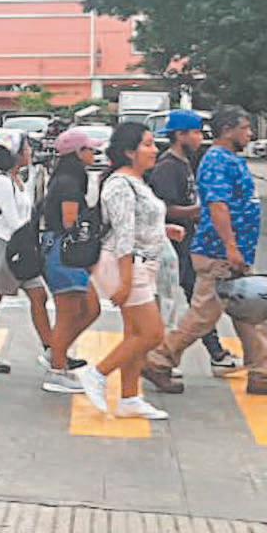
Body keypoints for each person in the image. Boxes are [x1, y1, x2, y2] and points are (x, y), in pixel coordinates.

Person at [142, 107, 267, 397]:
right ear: (227, 130)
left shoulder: (229, 159)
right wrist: (230, 247)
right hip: (220, 255)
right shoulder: (216, 161)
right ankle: (159, 359)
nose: (250, 134)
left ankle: (262, 374)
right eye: (245, 128)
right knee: (203, 317)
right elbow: (217, 206)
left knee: (251, 311)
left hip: (232, 254)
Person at [73, 123, 182, 420]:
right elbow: (123, 234)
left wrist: (164, 231)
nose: (154, 150)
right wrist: (125, 280)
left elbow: (137, 222)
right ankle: (97, 373)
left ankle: (130, 398)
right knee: (152, 333)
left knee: (135, 333)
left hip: (140, 262)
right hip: (125, 264)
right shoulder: (120, 184)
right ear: (129, 152)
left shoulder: (136, 181)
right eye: (147, 144)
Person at [145, 110, 239, 379]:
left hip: (187, 238)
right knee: (187, 301)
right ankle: (160, 355)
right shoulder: (167, 167)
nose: (200, 138)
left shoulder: (185, 163)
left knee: (198, 300)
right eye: (196, 133)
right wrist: (199, 211)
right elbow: (164, 208)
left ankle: (212, 354)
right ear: (180, 135)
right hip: (171, 240)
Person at [0, 132, 57, 373]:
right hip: (1, 246)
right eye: (26, 149)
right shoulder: (1, 182)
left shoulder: (19, 179)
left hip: (19, 247)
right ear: (16, 154)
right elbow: (14, 220)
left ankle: (52, 350)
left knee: (39, 295)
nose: (31, 152)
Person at [37, 130, 99, 393]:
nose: (94, 154)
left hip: (62, 252)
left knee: (90, 308)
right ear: (77, 153)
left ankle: (57, 353)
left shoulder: (64, 180)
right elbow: (69, 222)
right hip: (64, 254)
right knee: (69, 313)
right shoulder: (69, 184)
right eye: (89, 149)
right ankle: (57, 370)